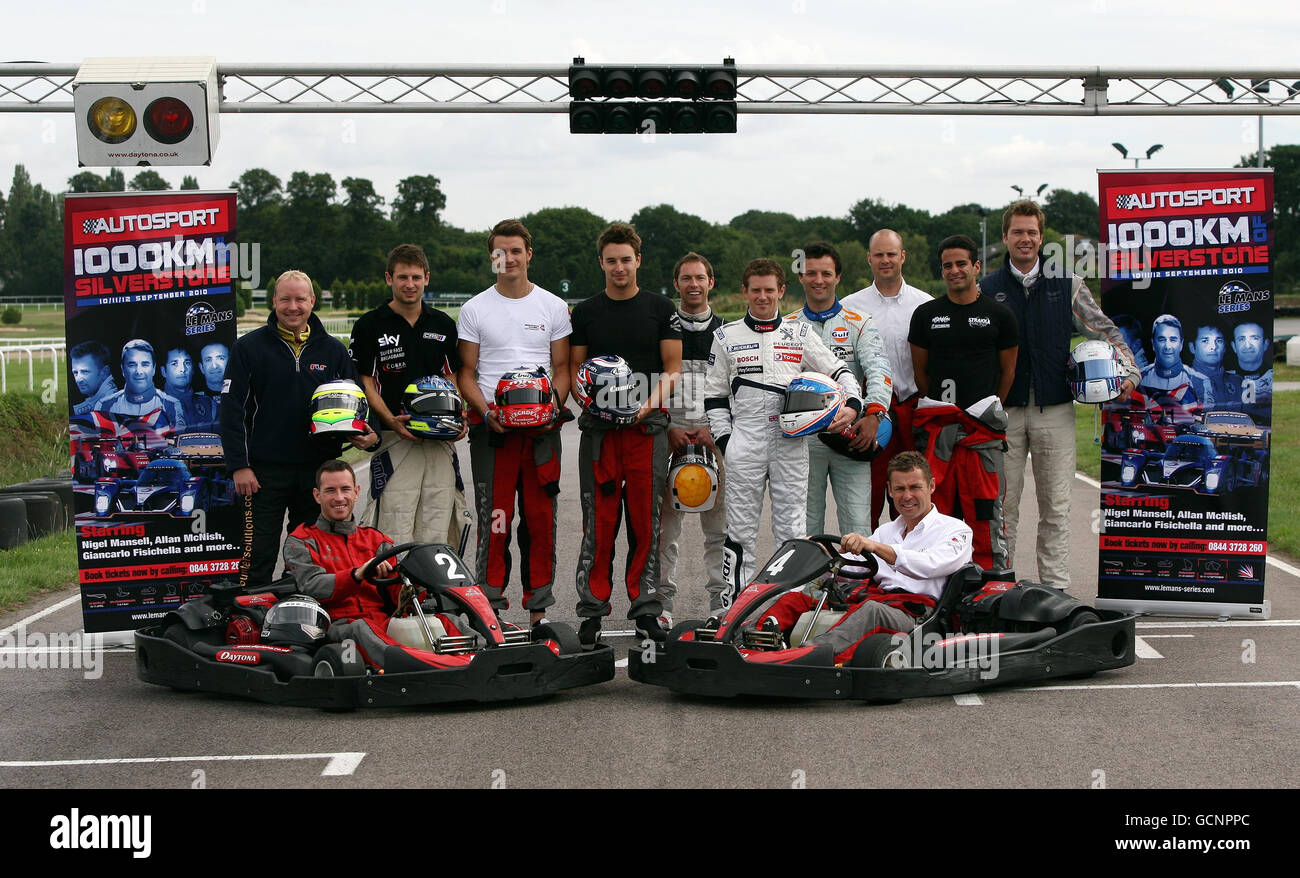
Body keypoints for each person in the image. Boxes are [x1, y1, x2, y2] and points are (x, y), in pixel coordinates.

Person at [977, 200, 1139, 590]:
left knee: (1057, 509)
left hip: (1057, 412)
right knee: (1002, 509)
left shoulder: (1067, 283)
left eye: (1032, 232)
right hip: (1003, 415)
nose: (1025, 239)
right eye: (1017, 232)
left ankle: (1055, 590)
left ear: (1041, 236)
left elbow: (1104, 330)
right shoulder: (986, 289)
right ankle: (1000, 589)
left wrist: (1129, 371)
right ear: (1005, 237)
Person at [703, 257, 862, 600]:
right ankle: (732, 608)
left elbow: (839, 370)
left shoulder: (799, 332)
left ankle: (789, 608)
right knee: (740, 531)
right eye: (756, 290)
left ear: (781, 291)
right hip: (744, 440)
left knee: (792, 530)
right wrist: (726, 441)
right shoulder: (726, 336)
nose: (763, 297)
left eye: (770, 290)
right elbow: (713, 396)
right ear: (744, 291)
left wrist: (853, 404)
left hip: (791, 442)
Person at [222, 269, 379, 587]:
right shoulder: (248, 348)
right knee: (258, 554)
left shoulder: (333, 350)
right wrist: (239, 465)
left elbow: (357, 399)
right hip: (262, 472)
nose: (292, 307)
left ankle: (303, 621)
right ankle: (251, 622)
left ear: (312, 301)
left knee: (310, 554)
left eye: (300, 299)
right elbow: (231, 410)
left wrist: (371, 432)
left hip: (316, 471)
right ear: (274, 301)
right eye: (285, 299)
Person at [569, 222, 681, 646]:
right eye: (611, 260)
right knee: (598, 523)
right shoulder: (586, 312)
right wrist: (596, 405)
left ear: (638, 261)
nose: (619, 267)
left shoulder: (659, 308)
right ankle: (592, 611)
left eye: (626, 259)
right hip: (599, 432)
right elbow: (579, 375)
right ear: (602, 262)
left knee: (644, 523)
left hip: (645, 430)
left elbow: (673, 369)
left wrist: (642, 407)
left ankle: (647, 610)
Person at [755, 451, 973, 663]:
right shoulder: (886, 531)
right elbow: (854, 570)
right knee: (797, 597)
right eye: (899, 489)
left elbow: (931, 565)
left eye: (915, 487)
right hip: (874, 599)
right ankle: (746, 642)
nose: (907, 496)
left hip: (917, 616)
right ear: (890, 490)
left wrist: (876, 547)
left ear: (931, 486)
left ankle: (808, 657)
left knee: (871, 610)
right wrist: (823, 554)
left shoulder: (955, 530)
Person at [458, 219, 571, 626]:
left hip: (541, 435)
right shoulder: (474, 308)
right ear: (492, 257)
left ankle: (538, 612)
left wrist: (550, 408)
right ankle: (491, 610)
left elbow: (562, 368)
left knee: (540, 523)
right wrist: (487, 412)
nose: (508, 259)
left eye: (515, 251)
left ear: (528, 255)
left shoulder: (553, 306)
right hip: (494, 434)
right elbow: (465, 373)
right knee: (496, 521)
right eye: (499, 252)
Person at [282, 459, 470, 671]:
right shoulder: (302, 540)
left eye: (345, 489)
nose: (339, 498)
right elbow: (312, 587)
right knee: (362, 628)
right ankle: (415, 666)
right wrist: (357, 574)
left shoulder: (376, 539)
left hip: (383, 622)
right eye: (330, 491)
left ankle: (487, 652)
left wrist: (412, 582)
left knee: (445, 620)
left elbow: (403, 595)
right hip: (336, 626)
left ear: (356, 492)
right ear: (317, 495)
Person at [908, 235, 1017, 571]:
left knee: (986, 509)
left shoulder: (999, 314)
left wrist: (982, 414)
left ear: (976, 267)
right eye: (947, 265)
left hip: (982, 433)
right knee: (937, 507)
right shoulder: (926, 314)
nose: (954, 271)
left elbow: (1007, 372)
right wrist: (947, 413)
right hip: (939, 431)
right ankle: (937, 581)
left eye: (961, 264)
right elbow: (920, 374)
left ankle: (991, 581)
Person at [349, 243, 467, 548]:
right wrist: (390, 419)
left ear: (427, 277)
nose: (410, 284)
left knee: (439, 519)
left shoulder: (442, 324)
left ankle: (432, 592)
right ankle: (397, 592)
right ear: (389, 278)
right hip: (395, 437)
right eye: (403, 277)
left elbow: (451, 376)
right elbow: (365, 381)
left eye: (416, 277)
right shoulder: (369, 325)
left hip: (439, 442)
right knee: (395, 520)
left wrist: (459, 416)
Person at [789, 240, 891, 537]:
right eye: (811, 273)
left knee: (857, 525)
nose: (818, 280)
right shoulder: (787, 327)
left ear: (838, 277)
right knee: (805, 527)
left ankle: (854, 582)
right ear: (801, 277)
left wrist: (874, 414)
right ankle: (808, 584)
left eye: (826, 273)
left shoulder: (859, 323)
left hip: (852, 435)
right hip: (804, 441)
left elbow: (880, 372)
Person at [843, 229, 933, 530]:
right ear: (869, 259)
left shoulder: (925, 305)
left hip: (911, 410)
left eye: (891, 254)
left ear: (903, 256)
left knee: (909, 494)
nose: (885, 260)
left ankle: (911, 567)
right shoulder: (850, 307)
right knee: (865, 497)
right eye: (879, 255)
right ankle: (863, 566)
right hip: (870, 415)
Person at [657, 252, 727, 625]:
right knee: (664, 531)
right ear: (677, 284)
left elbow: (734, 392)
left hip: (714, 436)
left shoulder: (727, 332)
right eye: (687, 278)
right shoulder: (663, 329)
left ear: (711, 282)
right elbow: (653, 386)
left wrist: (715, 431)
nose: (694, 285)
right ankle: (662, 606)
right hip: (671, 434)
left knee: (719, 530)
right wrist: (667, 427)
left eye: (700, 278)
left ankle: (720, 604)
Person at [95, 339, 187, 433]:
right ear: (123, 369)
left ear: (154, 369)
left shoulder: (171, 405)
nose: (139, 371)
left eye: (145, 364)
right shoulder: (104, 405)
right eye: (132, 365)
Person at [1138, 314, 1212, 405]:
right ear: (1153, 344)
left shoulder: (1200, 382)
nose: (1167, 347)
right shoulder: (1137, 379)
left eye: (1173, 340)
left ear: (1181, 344)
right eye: (1162, 340)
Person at [1187, 322, 1240, 411]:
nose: (1213, 347)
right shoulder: (1183, 382)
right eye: (1205, 341)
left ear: (1225, 347)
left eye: (1219, 341)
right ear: (1192, 347)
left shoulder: (1238, 382)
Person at [1227, 320, 1272, 419]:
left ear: (1265, 344)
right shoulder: (1220, 380)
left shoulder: (1274, 378)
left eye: (1255, 338)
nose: (1247, 345)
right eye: (1241, 339)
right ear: (1234, 346)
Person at [69, 341, 117, 416]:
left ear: (104, 372)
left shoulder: (114, 405)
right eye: (75, 373)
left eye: (85, 372)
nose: (78, 379)